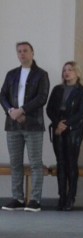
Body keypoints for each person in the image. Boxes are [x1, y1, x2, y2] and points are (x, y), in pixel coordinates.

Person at [1, 42, 50, 212]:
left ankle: (35, 200)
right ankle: (17, 198)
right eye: (19, 51)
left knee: (36, 163)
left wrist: (22, 110)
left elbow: (42, 97)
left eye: (25, 51)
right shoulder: (11, 74)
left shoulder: (41, 74)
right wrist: (11, 111)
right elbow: (3, 96)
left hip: (33, 125)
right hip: (12, 125)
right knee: (15, 163)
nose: (22, 54)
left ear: (32, 52)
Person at [46, 61, 83, 211]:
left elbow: (82, 112)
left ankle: (71, 197)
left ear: (77, 73)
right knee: (61, 163)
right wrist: (58, 123)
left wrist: (66, 124)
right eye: (65, 70)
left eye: (70, 70)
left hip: (74, 129)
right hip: (58, 127)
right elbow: (50, 109)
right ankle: (62, 197)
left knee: (71, 162)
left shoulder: (82, 91)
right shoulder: (57, 89)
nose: (67, 72)